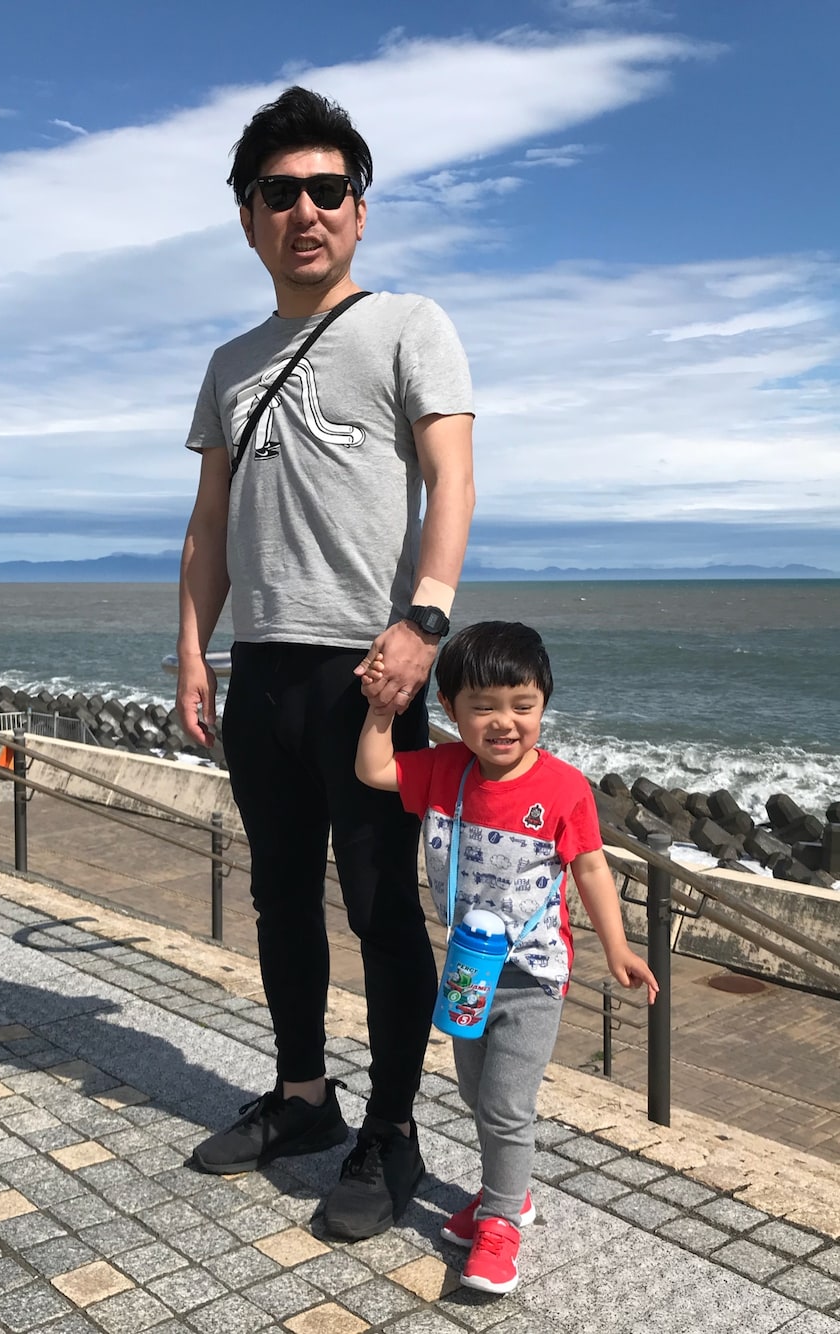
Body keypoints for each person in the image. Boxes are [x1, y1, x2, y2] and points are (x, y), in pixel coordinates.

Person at [175, 84, 475, 1240]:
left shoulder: (408, 324)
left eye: (327, 189)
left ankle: (391, 1129)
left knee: (383, 906)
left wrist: (424, 621)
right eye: (279, 192)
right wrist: (193, 648)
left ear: (359, 208)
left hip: (370, 675)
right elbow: (210, 522)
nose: (305, 210)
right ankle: (303, 1097)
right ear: (248, 217)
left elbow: (451, 478)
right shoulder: (230, 361)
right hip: (261, 671)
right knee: (278, 894)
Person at [356, 621, 657, 1290]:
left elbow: (591, 868)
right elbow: (373, 769)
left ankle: (500, 1224)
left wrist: (618, 948)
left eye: (523, 706)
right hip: (468, 968)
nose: (504, 723)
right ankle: (508, 1192)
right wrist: (380, 709)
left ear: (544, 702)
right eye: (484, 706)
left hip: (533, 976)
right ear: (449, 707)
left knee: (504, 1103)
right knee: (475, 1092)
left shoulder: (565, 789)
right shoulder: (444, 772)